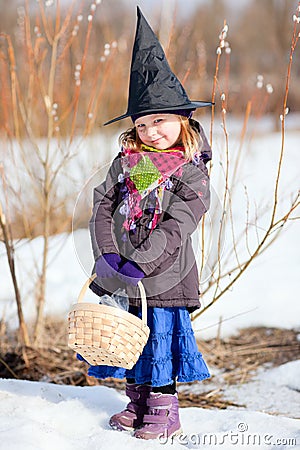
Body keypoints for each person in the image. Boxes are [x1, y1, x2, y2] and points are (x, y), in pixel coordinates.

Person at [83, 7, 213, 440]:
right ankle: (136, 400)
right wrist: (109, 257)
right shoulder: (139, 167)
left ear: (182, 118)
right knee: (131, 338)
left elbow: (176, 226)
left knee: (158, 340)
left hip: (166, 278)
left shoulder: (188, 171)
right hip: (125, 273)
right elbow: (106, 206)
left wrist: (137, 262)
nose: (153, 131)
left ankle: (164, 405)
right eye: (143, 123)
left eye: (160, 120)